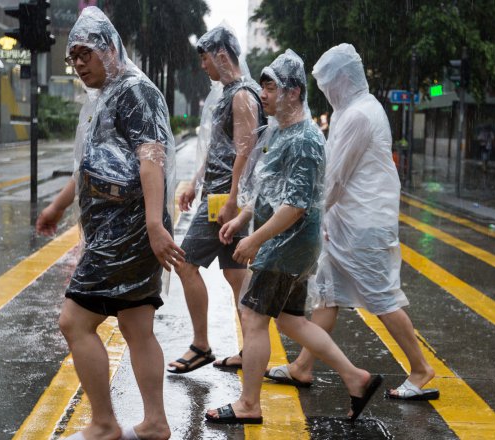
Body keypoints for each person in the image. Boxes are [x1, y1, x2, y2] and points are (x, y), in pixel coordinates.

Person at [206, 50, 381, 425]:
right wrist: (242, 220)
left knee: (253, 318)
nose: (263, 94)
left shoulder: (304, 139)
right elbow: (269, 190)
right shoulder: (279, 131)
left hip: (286, 245)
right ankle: (356, 377)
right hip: (287, 244)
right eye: (263, 87)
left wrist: (255, 240)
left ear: (294, 92)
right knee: (289, 320)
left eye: (271, 87)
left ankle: (248, 405)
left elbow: (295, 205)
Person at [35, 7, 181, 440]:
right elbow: (89, 166)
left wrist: (153, 225)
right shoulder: (106, 96)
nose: (79, 64)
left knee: (74, 322)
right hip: (119, 229)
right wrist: (58, 207)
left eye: (86, 54)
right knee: (136, 325)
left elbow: (151, 156)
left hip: (126, 231)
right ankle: (154, 423)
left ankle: (103, 424)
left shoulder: (134, 91)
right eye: (73, 58)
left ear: (110, 49)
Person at [262, 43, 438, 402]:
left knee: (382, 297)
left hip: (364, 226)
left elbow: (335, 177)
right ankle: (303, 366)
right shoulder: (349, 111)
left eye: (328, 83)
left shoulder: (359, 115)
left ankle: (421, 368)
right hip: (345, 224)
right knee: (328, 295)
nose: (325, 91)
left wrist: (305, 214)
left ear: (342, 80)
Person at [167, 25, 265, 374]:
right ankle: (250, 348)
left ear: (222, 55)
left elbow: (246, 152)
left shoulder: (242, 96)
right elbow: (218, 148)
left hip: (223, 199)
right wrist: (195, 182)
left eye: (205, 58)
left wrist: (232, 200)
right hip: (219, 195)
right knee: (236, 274)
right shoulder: (231, 93)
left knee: (184, 263)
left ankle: (201, 345)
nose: (203, 66)